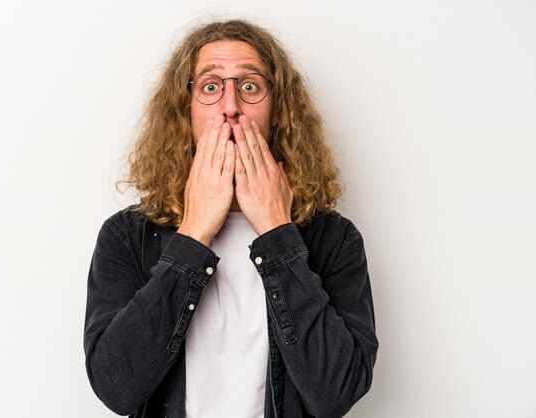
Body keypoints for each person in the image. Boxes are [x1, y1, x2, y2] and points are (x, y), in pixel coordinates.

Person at [84, 19, 378, 418]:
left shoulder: (334, 239)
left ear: (277, 112)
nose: (230, 106)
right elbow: (115, 388)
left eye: (250, 86)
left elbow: (336, 394)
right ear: (185, 111)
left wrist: (278, 234)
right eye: (210, 87)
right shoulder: (126, 236)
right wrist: (193, 233)